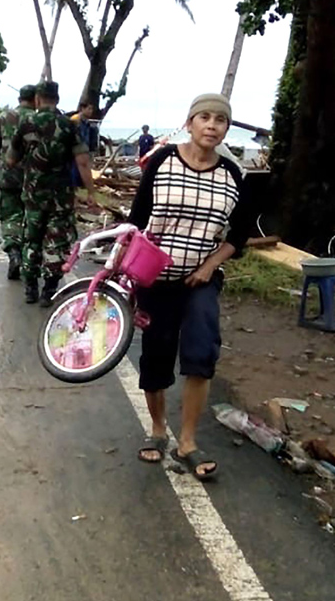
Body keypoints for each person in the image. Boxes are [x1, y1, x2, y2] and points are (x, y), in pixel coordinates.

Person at [128, 93, 248, 482]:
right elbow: (137, 222)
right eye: (205, 118)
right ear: (190, 122)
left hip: (200, 281)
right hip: (155, 280)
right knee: (156, 356)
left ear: (226, 129)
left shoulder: (232, 175)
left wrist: (211, 264)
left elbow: (239, 236)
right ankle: (159, 429)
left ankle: (189, 441)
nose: (212, 125)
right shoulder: (161, 162)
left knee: (201, 352)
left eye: (220, 120)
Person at [10, 81, 95, 306]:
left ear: (38, 99)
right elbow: (83, 162)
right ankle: (49, 291)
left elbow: (11, 159)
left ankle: (30, 288)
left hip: (33, 195)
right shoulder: (68, 125)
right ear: (57, 99)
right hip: (60, 197)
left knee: (32, 239)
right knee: (56, 244)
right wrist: (91, 192)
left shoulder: (25, 123)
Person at [0, 84, 37, 280]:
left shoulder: (3, 117)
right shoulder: (37, 120)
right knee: (30, 217)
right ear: (35, 99)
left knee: (9, 217)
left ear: (19, 99)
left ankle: (13, 253)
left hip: (8, 176)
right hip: (33, 178)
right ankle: (29, 259)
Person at [70, 100, 101, 186]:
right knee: (75, 171)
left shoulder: (87, 122)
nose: (90, 111)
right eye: (89, 109)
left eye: (91, 109)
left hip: (84, 150)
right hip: (76, 151)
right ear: (82, 109)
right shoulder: (75, 120)